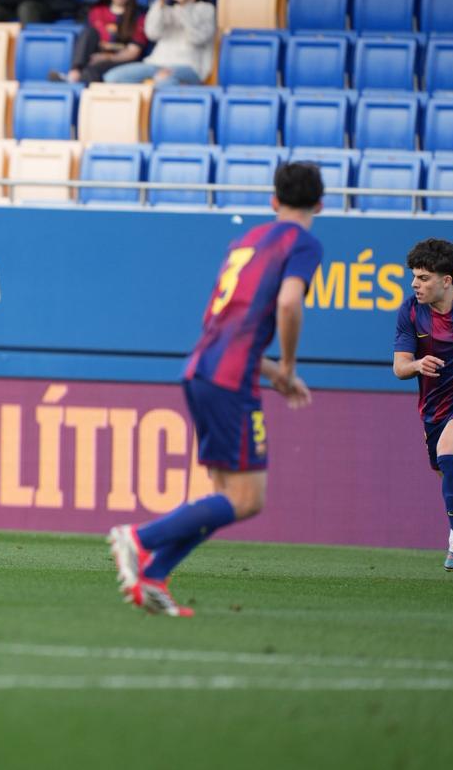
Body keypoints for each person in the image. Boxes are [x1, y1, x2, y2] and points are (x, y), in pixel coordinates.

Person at [109, 162, 325, 617]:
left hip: (202, 369)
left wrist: (275, 375)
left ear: (273, 201)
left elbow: (222, 326)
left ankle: (153, 575)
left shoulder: (245, 242)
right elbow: (288, 302)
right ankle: (139, 539)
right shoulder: (302, 242)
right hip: (229, 382)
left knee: (226, 497)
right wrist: (287, 364)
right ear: (321, 204)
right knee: (248, 499)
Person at [392, 239, 453, 571]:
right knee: (449, 469)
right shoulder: (410, 311)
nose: (414, 284)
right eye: (414, 276)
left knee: (448, 452)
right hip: (435, 408)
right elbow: (400, 367)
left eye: (423, 277)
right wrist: (417, 365)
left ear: (447, 280)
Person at [103, 0, 216, 87]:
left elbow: (197, 38)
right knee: (113, 77)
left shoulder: (206, 9)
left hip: (190, 67)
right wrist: (160, 0)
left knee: (163, 80)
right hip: (156, 64)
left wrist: (185, 6)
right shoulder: (166, 9)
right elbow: (152, 33)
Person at [55, 0, 148, 84]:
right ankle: (75, 72)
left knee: (91, 72)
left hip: (122, 61)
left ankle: (73, 82)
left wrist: (107, 58)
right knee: (88, 32)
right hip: (95, 57)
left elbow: (133, 52)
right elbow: (87, 41)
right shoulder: (96, 12)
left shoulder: (140, 16)